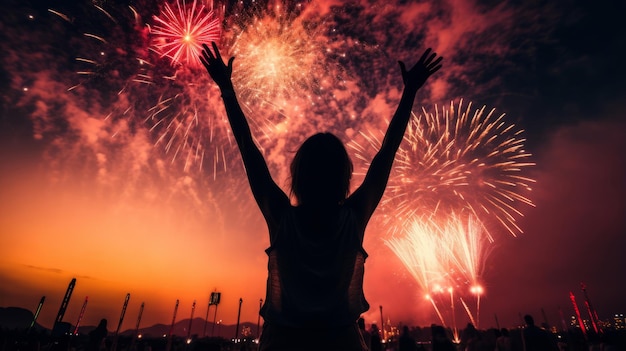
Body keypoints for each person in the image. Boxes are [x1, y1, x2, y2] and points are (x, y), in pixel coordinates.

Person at [200, 41, 442, 351]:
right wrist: (410, 92)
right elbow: (387, 152)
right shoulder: (353, 217)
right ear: (343, 178)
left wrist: (227, 88)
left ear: (298, 176)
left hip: (283, 343)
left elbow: (248, 148)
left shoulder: (281, 216)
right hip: (342, 342)